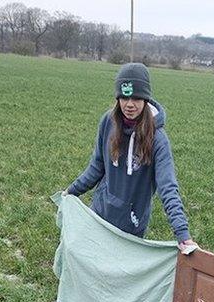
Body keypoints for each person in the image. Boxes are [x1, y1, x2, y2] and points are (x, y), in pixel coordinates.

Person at [64, 62, 196, 252]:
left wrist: (182, 234)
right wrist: (72, 191)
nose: (130, 104)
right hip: (100, 213)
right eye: (124, 97)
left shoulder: (158, 140)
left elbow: (168, 187)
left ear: (146, 99)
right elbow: (96, 167)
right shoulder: (107, 122)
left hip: (131, 225)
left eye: (136, 98)